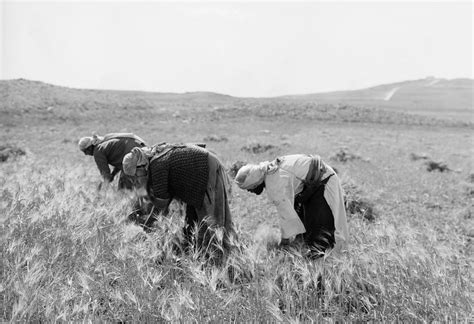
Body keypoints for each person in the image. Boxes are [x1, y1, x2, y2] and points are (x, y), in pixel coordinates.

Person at [122, 143, 235, 261]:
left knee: (211, 220)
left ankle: (219, 258)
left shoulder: (157, 166)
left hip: (203, 168)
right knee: (193, 222)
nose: (137, 178)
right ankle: (201, 255)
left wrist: (148, 225)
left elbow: (162, 205)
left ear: (141, 166)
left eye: (136, 174)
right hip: (196, 173)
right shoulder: (153, 158)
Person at [235, 154, 348, 258]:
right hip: (312, 187)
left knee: (322, 232)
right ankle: (318, 260)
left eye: (249, 188)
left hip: (323, 183)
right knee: (311, 229)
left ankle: (330, 263)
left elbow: (287, 216)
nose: (250, 192)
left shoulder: (274, 184)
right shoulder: (271, 171)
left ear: (255, 183)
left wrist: (284, 243)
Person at [78, 133, 147, 190]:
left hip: (133, 157)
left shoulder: (98, 151)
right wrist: (113, 174)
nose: (85, 154)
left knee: (123, 191)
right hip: (143, 150)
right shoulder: (105, 141)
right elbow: (121, 161)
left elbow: (106, 176)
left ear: (90, 147)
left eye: (85, 151)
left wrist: (99, 191)